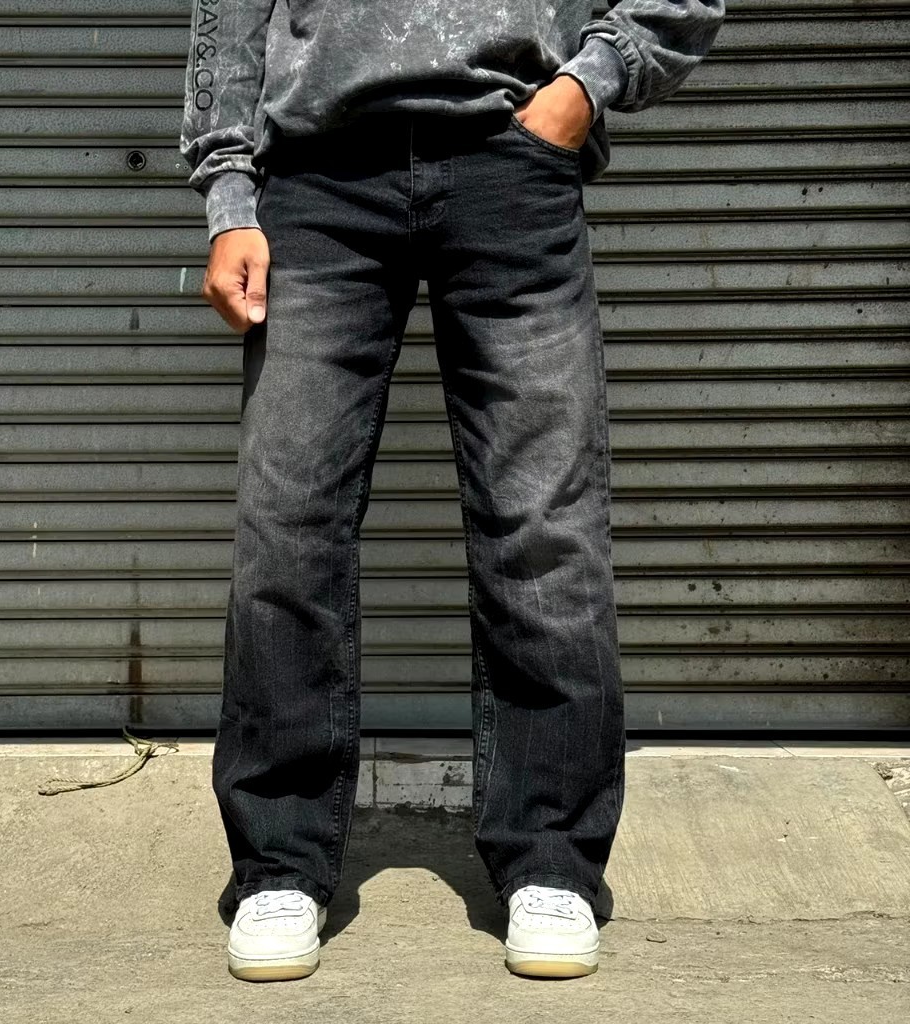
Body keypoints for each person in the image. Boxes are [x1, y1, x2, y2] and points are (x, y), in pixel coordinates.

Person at [181, 0, 725, 983]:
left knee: (544, 525)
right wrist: (229, 191)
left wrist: (581, 89)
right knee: (286, 524)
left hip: (510, 159)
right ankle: (279, 862)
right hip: (317, 176)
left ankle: (550, 858)